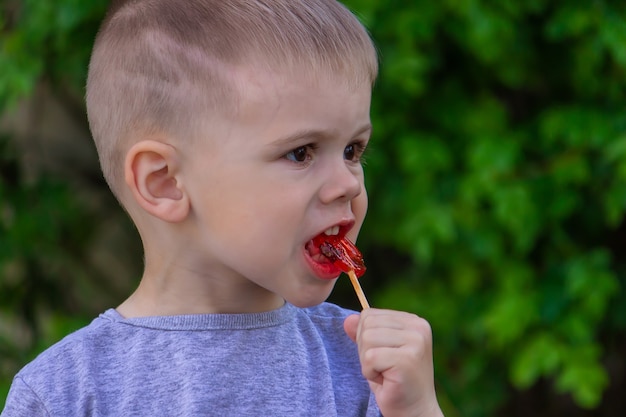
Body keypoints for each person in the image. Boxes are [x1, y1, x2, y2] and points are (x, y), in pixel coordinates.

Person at [1, 0, 444, 416]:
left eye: (352, 149)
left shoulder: (366, 369)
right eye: (301, 153)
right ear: (165, 182)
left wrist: (417, 409)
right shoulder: (65, 394)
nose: (348, 183)